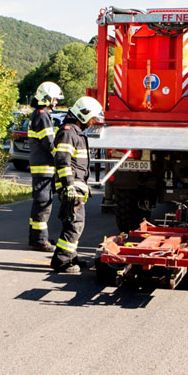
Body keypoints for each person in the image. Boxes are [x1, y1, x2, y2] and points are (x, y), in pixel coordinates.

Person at [51, 96, 104, 273]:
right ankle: (62, 261)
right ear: (83, 114)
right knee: (74, 224)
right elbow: (62, 161)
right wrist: (68, 186)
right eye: (92, 118)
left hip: (76, 185)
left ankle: (71, 257)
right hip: (71, 187)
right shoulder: (68, 132)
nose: (93, 122)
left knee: (74, 223)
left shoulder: (76, 132)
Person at [28, 82, 64, 251]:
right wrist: (62, 158)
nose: (56, 102)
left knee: (40, 203)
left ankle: (36, 237)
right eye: (55, 99)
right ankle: (40, 240)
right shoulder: (42, 116)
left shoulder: (40, 114)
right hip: (43, 167)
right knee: (43, 203)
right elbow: (49, 143)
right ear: (47, 98)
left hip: (41, 166)